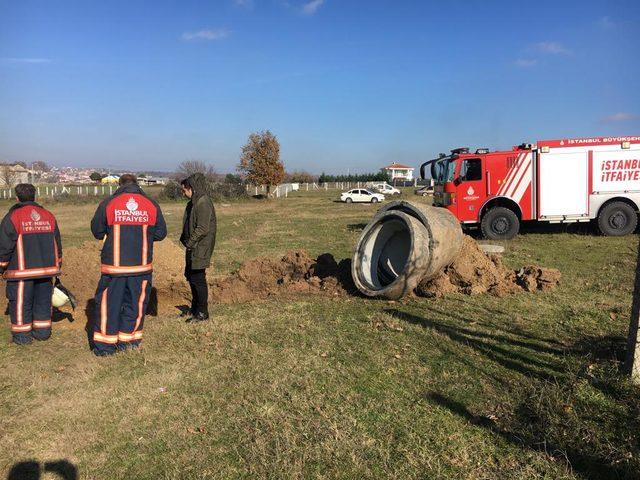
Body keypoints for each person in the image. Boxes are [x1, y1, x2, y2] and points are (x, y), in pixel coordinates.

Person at [90, 174, 167, 356]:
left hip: (114, 268)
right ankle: (129, 343)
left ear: (120, 184)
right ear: (137, 184)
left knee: (108, 305)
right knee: (136, 305)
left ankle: (105, 347)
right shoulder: (151, 204)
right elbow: (161, 233)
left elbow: (97, 231)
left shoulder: (108, 203)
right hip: (141, 267)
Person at [0, 183, 62, 344]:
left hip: (21, 271)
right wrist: (58, 264)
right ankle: (43, 332)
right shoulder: (48, 215)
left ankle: (22, 336)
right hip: (46, 270)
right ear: (35, 196)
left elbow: (4, 246)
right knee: (43, 301)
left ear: (17, 197)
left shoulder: (13, 217)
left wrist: (2, 265)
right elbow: (57, 243)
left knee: (21, 302)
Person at [180, 173, 216, 323]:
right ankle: (195, 308)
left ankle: (202, 313)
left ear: (192, 188)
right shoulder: (193, 202)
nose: (183, 192)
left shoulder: (203, 202)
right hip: (193, 247)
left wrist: (190, 242)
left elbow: (202, 228)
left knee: (198, 279)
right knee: (191, 276)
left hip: (200, 247)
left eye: (184, 189)